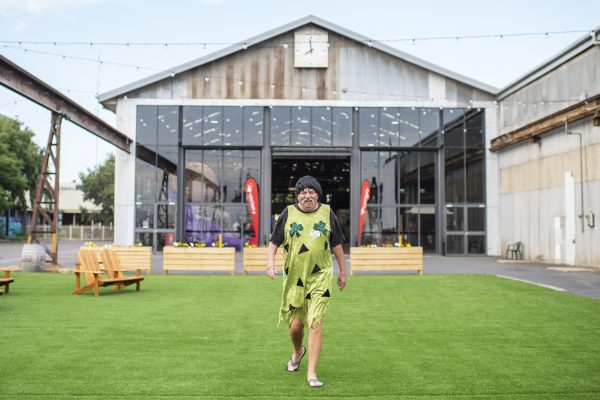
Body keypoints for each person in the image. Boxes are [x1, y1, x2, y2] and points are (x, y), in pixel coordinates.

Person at [267, 175, 347, 388]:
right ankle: (298, 351)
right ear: (298, 196)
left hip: (320, 276)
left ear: (317, 195)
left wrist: (343, 271)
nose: (307, 195)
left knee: (315, 321)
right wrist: (269, 263)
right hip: (295, 278)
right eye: (303, 192)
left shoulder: (327, 213)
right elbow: (274, 242)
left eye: (312, 192)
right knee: (295, 327)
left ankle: (312, 372)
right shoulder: (288, 213)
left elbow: (337, 243)